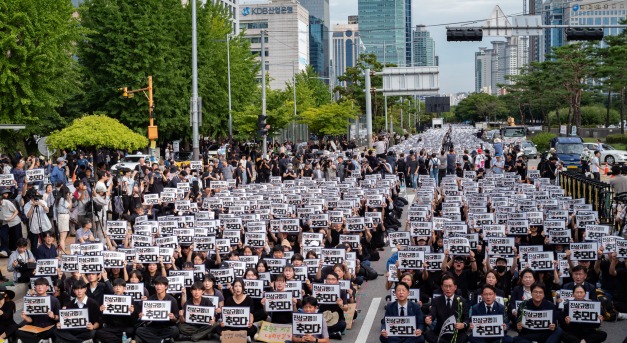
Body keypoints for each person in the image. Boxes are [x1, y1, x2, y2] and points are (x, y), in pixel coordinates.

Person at [424, 275, 469, 343]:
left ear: (455, 287)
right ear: (442, 287)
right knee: (428, 334)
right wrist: (429, 318)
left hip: (456, 333)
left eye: (450, 286)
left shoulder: (462, 301)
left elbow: (467, 319)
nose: (448, 289)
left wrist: (463, 324)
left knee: (464, 337)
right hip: (440, 333)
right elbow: (432, 314)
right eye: (445, 286)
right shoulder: (436, 300)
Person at [135, 276, 180, 343]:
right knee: (139, 330)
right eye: (157, 284)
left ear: (166, 286)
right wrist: (142, 315)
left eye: (161, 284)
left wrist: (173, 317)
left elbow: (176, 319)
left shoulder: (172, 300)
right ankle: (162, 341)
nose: (158, 287)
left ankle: (153, 339)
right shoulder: (150, 299)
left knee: (175, 330)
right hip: (153, 326)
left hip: (166, 327)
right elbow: (146, 318)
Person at [15, 277, 60, 343]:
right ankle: (40, 340)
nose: (40, 287)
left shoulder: (54, 300)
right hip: (35, 327)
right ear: (35, 287)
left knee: (56, 331)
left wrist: (53, 316)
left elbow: (59, 317)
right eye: (38, 285)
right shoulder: (30, 300)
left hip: (49, 327)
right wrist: (25, 317)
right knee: (18, 332)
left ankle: (35, 340)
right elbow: (30, 320)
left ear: (47, 287)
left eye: (42, 285)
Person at [95, 278, 138, 343]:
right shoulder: (108, 299)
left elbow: (134, 320)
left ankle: (114, 340)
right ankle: (122, 341)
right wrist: (102, 311)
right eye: (115, 286)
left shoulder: (130, 299)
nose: (117, 288)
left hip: (125, 327)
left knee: (132, 330)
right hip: (112, 327)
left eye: (120, 286)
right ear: (113, 288)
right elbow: (105, 320)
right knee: (99, 333)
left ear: (124, 289)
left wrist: (132, 312)